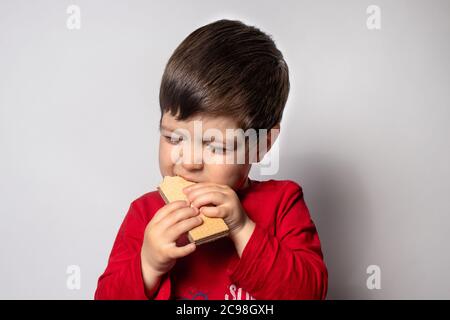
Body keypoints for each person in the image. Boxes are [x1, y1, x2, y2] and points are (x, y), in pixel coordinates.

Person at [95, 19, 327, 300]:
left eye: (214, 145)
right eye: (174, 138)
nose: (189, 161)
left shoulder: (283, 204)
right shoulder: (146, 215)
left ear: (259, 146)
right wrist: (147, 265)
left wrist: (242, 228)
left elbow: (309, 294)